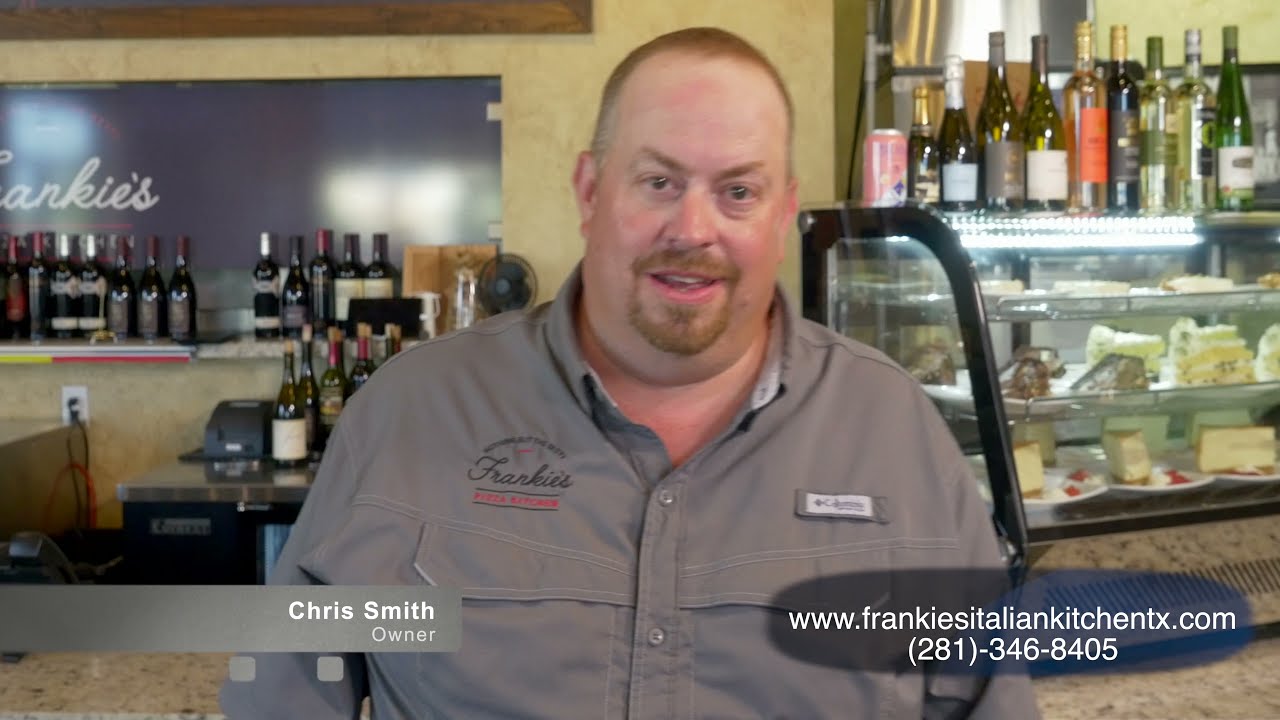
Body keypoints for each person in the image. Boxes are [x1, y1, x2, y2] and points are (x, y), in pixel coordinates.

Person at [220, 26, 1041, 719]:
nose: (693, 228)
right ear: (589, 191)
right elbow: (284, 695)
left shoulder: (893, 428)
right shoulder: (411, 409)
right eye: (658, 181)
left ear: (784, 212)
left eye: (738, 192)